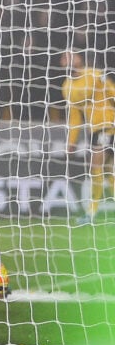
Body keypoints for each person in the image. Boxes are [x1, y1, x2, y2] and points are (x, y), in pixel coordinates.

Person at [61, 49, 115, 224]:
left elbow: (112, 93)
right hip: (94, 129)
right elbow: (75, 116)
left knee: (96, 165)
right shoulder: (67, 87)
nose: (67, 59)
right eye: (63, 57)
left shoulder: (95, 75)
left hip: (108, 124)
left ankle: (91, 212)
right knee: (107, 170)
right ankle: (92, 211)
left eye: (71, 55)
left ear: (79, 59)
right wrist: (71, 141)